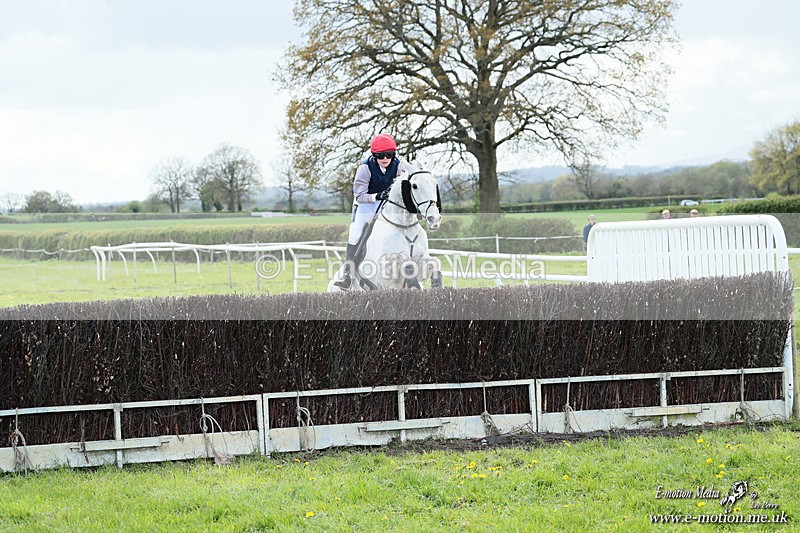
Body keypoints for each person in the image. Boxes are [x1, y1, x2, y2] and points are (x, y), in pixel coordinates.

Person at [334, 133, 409, 290]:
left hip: (386, 204)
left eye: (389, 155)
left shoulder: (400, 167)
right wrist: (377, 196)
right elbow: (360, 196)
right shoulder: (365, 168)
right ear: (374, 155)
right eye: (380, 155)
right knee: (355, 233)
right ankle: (348, 274)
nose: (385, 158)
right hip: (365, 205)